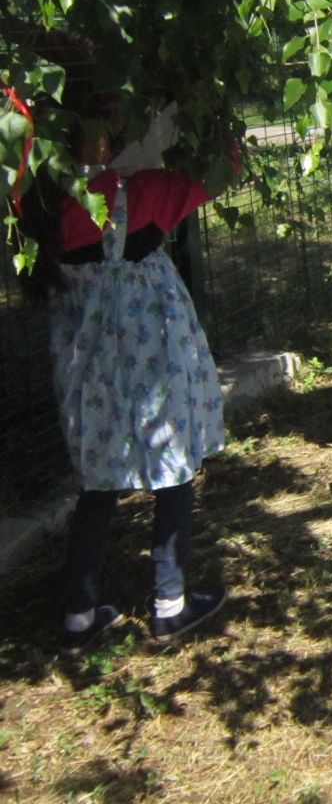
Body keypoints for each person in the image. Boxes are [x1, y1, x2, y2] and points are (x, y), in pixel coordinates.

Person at [10, 81, 231, 650]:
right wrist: (210, 102)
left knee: (97, 481)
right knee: (173, 468)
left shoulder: (40, 206)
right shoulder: (145, 193)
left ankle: (79, 613)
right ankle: (169, 603)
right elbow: (223, 167)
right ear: (105, 136)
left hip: (89, 370)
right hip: (154, 354)